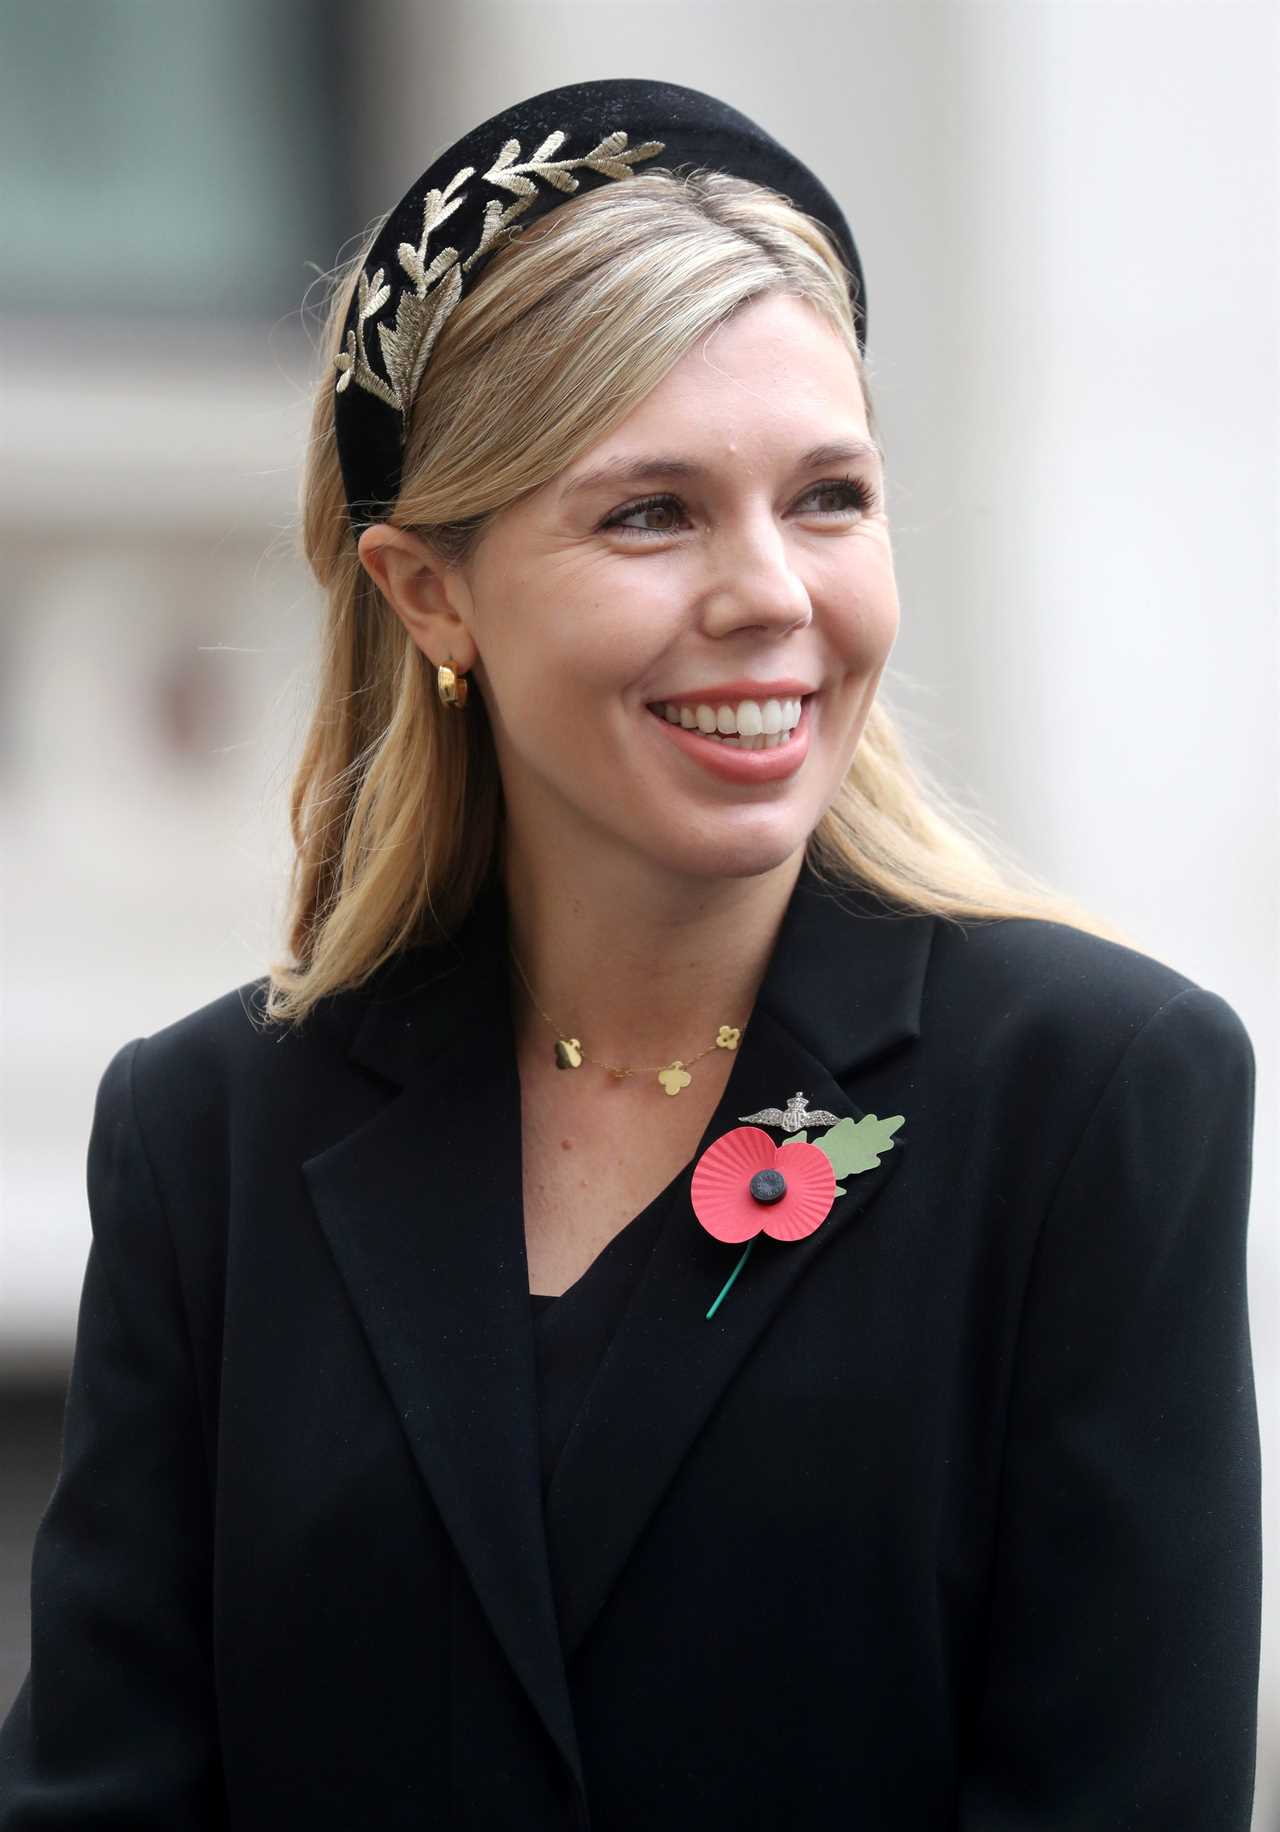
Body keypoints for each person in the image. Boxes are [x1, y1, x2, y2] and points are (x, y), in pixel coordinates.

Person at [0, 75, 1261, 1831]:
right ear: (427, 591)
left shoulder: (1097, 1095)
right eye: (652, 512)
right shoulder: (210, 1136)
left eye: (827, 497)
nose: (771, 593)